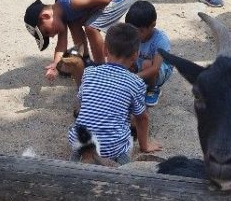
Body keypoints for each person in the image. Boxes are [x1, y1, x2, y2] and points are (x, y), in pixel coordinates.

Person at [68, 23, 162, 164]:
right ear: (135, 55)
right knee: (128, 133)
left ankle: (82, 156)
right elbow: (142, 119)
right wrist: (145, 146)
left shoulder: (89, 73)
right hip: (111, 146)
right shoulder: (135, 82)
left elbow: (79, 103)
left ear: (105, 49)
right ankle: (119, 161)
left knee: (77, 129)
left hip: (80, 139)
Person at [24, 0, 134, 76]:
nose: (52, 36)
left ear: (46, 16)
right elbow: (61, 46)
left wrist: (92, 12)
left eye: (47, 32)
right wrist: (55, 65)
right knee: (74, 23)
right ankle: (85, 59)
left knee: (91, 27)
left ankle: (101, 69)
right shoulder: (61, 15)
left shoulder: (73, 1)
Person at [124, 0, 173, 107]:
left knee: (147, 64)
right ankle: (140, 82)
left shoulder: (160, 40)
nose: (135, 34)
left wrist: (133, 77)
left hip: (160, 70)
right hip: (140, 65)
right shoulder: (135, 35)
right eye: (133, 30)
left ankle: (152, 89)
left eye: (140, 31)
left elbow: (155, 68)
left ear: (152, 25)